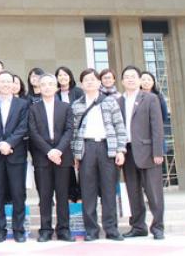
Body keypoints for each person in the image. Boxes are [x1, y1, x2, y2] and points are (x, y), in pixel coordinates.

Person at [71, 68, 127, 242]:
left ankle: (111, 229)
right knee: (88, 191)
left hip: (106, 147)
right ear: (81, 83)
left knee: (109, 190)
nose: (89, 82)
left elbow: (119, 127)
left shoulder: (110, 102)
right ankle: (91, 230)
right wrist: (75, 155)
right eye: (86, 79)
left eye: (92, 79)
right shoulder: (77, 104)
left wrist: (120, 150)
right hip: (86, 148)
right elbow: (74, 132)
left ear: (99, 82)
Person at [120, 66, 166, 240]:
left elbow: (157, 126)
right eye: (127, 77)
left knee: (154, 192)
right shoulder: (119, 100)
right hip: (128, 152)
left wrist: (158, 151)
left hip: (148, 152)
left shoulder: (150, 98)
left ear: (139, 80)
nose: (130, 79)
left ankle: (158, 226)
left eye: (133, 76)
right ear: (122, 81)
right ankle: (138, 226)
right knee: (133, 192)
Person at [28, 74, 75, 242]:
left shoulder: (65, 107)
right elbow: (33, 133)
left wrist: (58, 151)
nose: (47, 87)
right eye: (44, 84)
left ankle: (64, 229)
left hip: (62, 158)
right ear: (39, 88)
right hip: (42, 157)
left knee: (63, 195)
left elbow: (69, 130)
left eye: (50, 84)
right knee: (45, 196)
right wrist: (49, 151)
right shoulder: (33, 108)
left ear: (56, 87)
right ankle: (45, 229)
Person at [0, 71, 29, 243]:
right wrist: (0, 144)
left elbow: (23, 126)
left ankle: (19, 229)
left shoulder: (23, 104)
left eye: (8, 81)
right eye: (2, 81)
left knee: (18, 193)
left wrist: (9, 143)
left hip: (16, 154)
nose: (5, 84)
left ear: (13, 84)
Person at [55, 65, 83, 202]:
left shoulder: (78, 92)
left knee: (80, 164)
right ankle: (71, 193)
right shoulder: (55, 94)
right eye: (59, 75)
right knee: (68, 166)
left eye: (65, 75)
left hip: (77, 133)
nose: (62, 78)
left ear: (70, 77)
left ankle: (81, 194)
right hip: (63, 135)